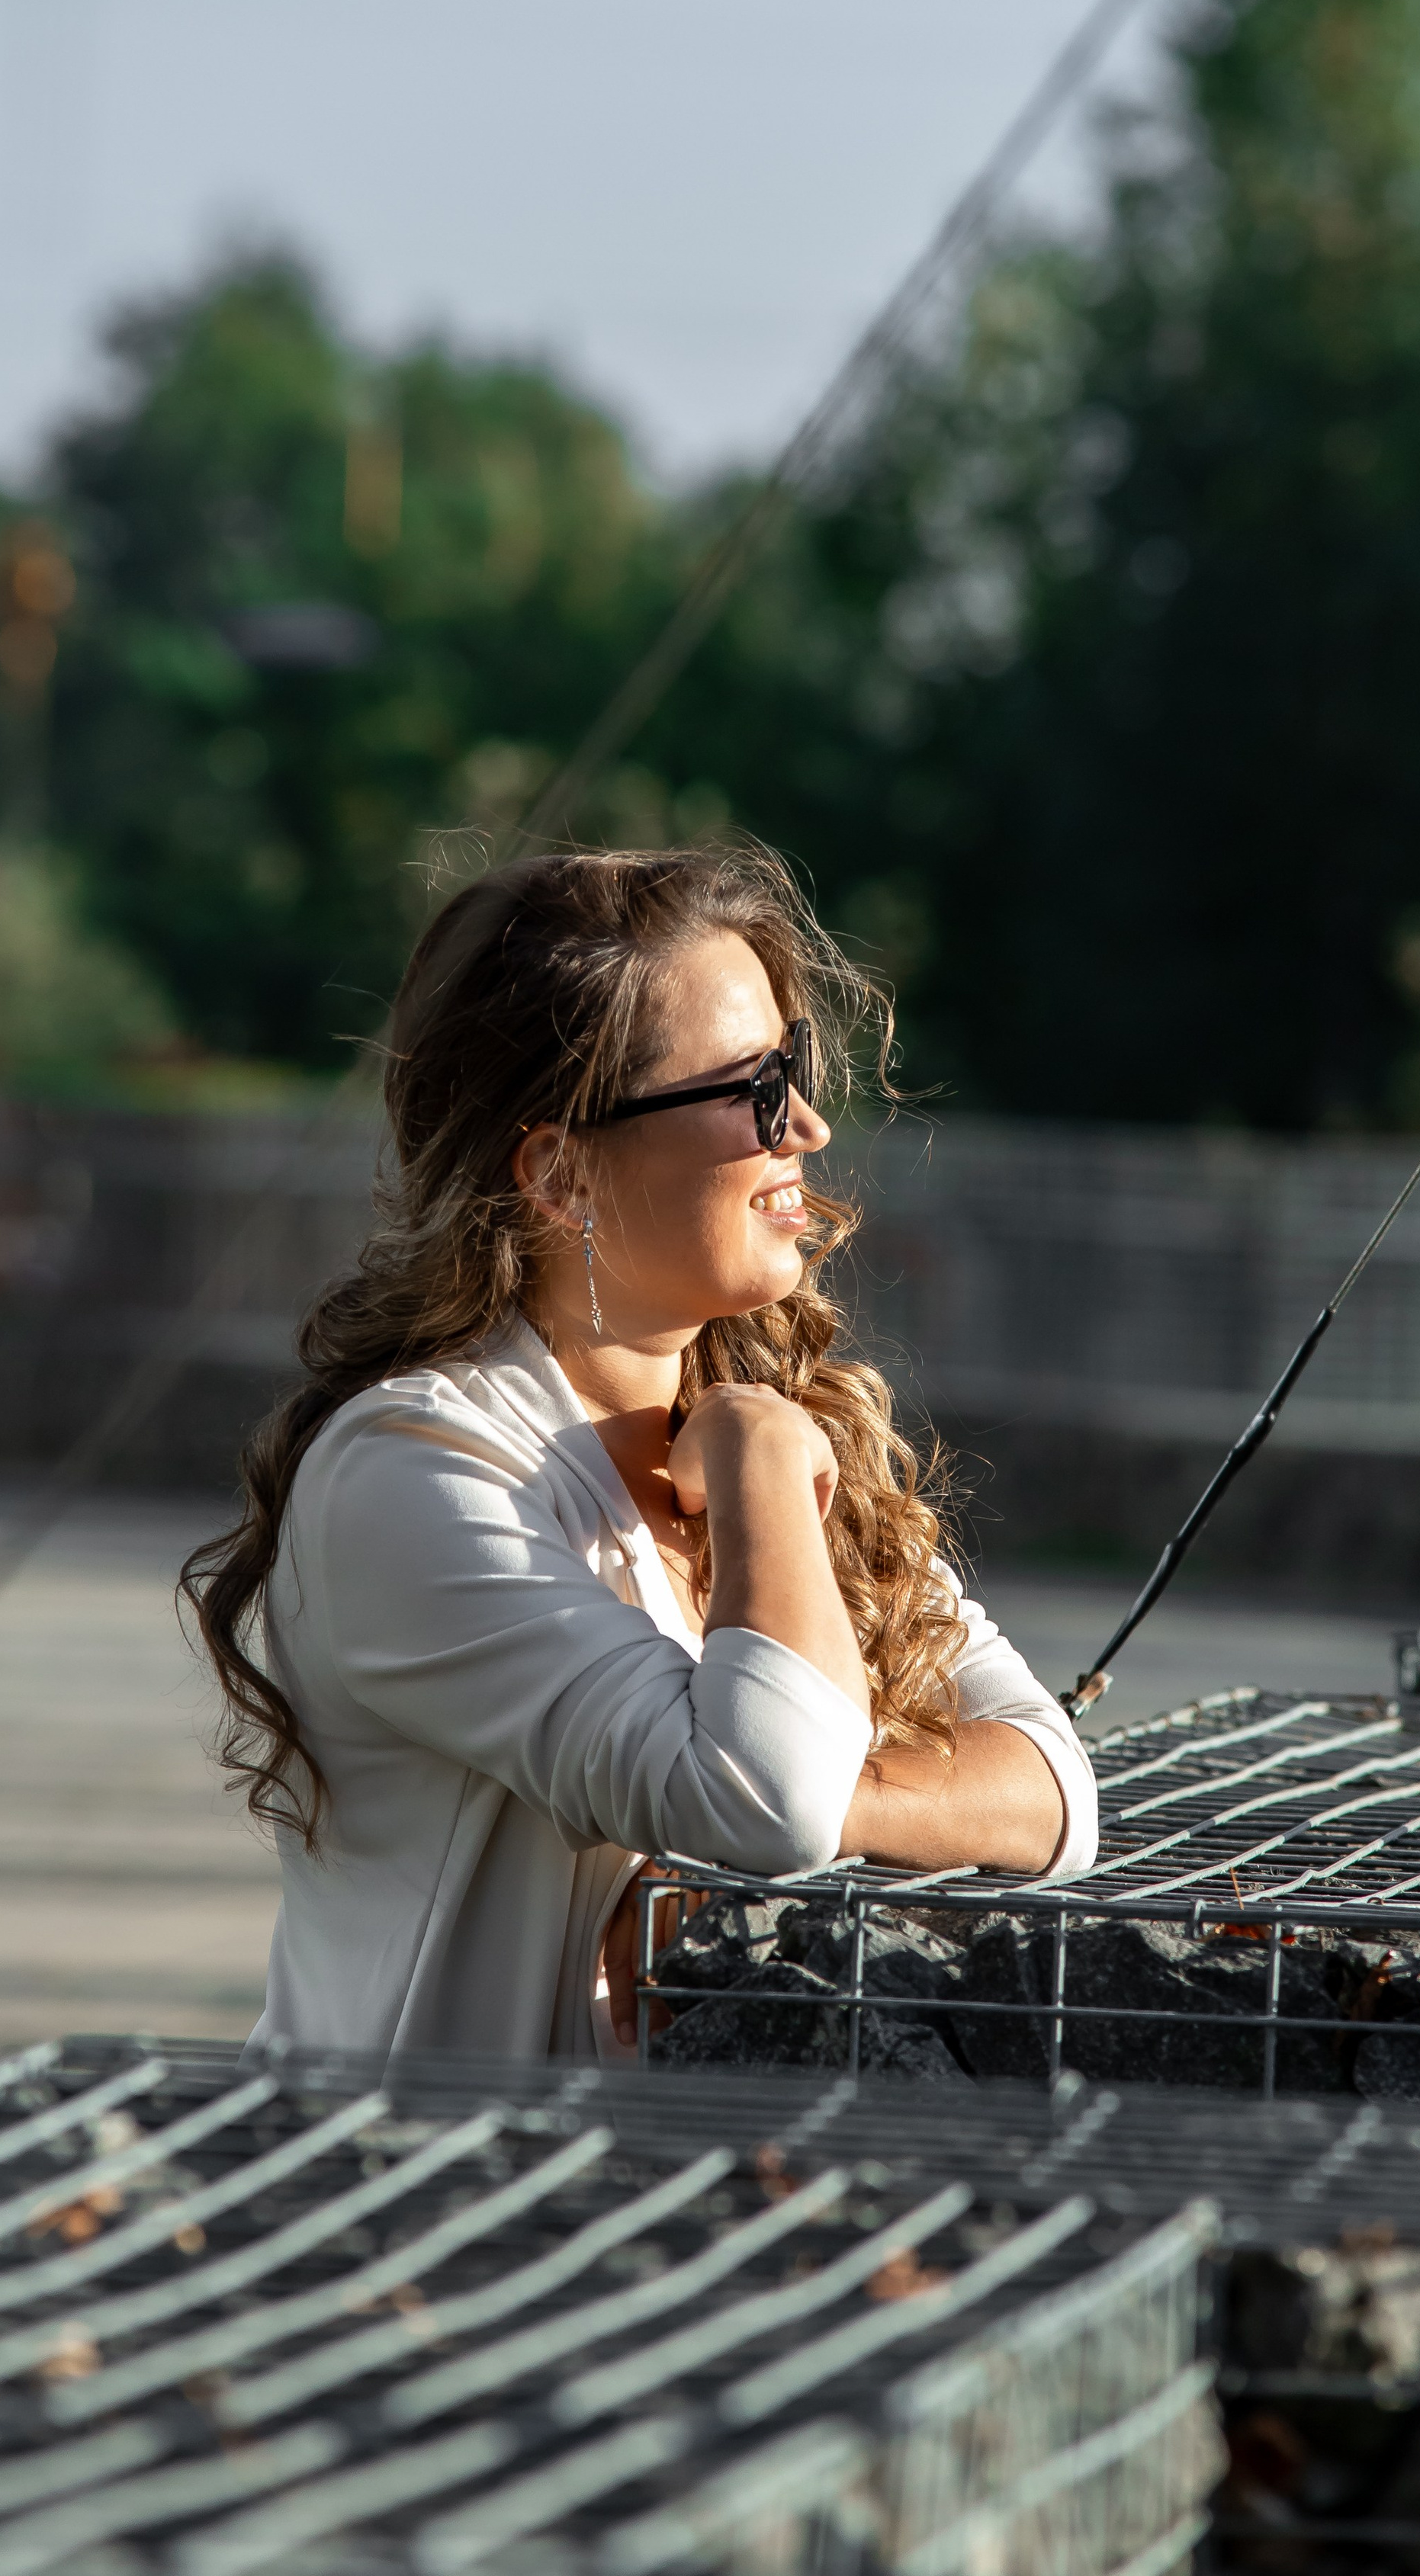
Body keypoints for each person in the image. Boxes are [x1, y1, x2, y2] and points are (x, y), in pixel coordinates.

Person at [183, 846, 1097, 2064]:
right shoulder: (414, 1474)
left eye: (798, 1068)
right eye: (756, 1090)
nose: (810, 1128)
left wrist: (840, 1796)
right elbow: (768, 1803)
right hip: (415, 2211)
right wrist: (771, 1478)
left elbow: (1055, 1786)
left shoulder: (750, 1409)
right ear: (562, 1173)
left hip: (658, 2209)